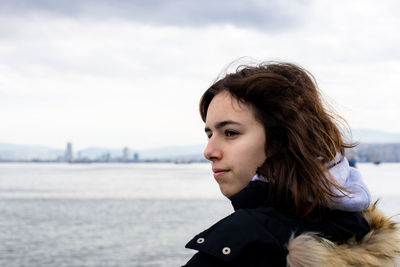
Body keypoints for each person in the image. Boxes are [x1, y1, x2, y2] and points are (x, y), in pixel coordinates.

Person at [183, 62, 400, 266]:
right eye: (209, 134)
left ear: (281, 141)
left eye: (230, 133)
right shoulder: (361, 228)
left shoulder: (243, 248)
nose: (209, 151)